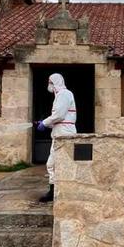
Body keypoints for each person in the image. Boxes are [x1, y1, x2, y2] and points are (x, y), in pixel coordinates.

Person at [35, 73, 76, 203]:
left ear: (55, 82)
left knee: (56, 163)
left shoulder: (64, 94)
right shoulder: (60, 95)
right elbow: (59, 118)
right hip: (60, 132)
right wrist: (45, 123)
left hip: (64, 133)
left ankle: (56, 192)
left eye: (50, 82)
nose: (49, 85)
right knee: (53, 164)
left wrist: (45, 123)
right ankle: (55, 191)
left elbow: (59, 115)